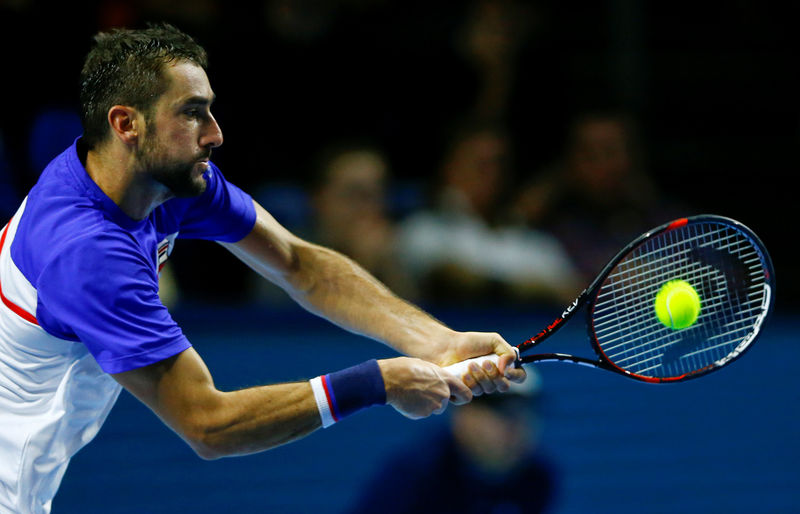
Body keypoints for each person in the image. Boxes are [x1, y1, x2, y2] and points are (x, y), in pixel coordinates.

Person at [0, 23, 525, 514]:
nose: (216, 133)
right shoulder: (88, 254)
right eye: (192, 112)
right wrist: (379, 382)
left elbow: (300, 264)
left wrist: (436, 341)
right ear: (126, 124)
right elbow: (209, 425)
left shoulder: (158, 178)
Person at [395, 121, 580, 306]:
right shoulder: (423, 230)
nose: (492, 174)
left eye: (498, 164)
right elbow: (448, 279)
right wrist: (533, 289)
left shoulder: (537, 244)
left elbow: (572, 295)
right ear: (450, 168)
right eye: (480, 164)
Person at [348, 367, 557, 514]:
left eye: (526, 414)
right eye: (501, 412)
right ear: (463, 414)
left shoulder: (538, 479)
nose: (516, 427)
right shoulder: (415, 475)